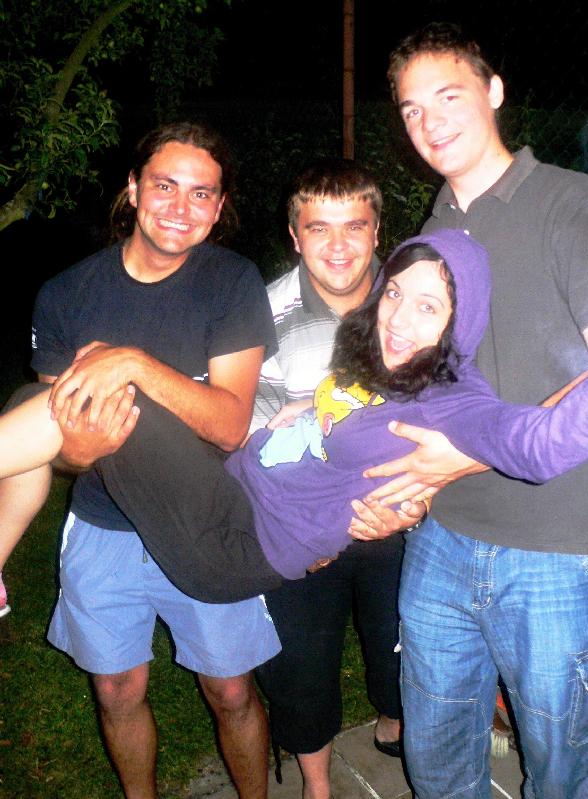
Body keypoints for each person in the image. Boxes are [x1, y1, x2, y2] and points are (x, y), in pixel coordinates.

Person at [5, 229, 588, 590]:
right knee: (38, 397)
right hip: (229, 491)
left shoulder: (452, 399)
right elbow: (340, 424)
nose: (398, 318)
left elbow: (540, 446)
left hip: (237, 539)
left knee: (109, 387)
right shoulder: (383, 362)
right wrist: (305, 411)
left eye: (428, 307)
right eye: (394, 292)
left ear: (459, 321)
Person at [9, 121, 282, 799]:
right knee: (116, 688)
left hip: (206, 518)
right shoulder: (67, 293)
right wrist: (78, 453)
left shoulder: (231, 282)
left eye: (201, 194)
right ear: (133, 189)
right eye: (164, 186)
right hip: (104, 521)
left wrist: (131, 362)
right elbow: (57, 439)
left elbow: (230, 426)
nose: (180, 207)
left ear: (218, 208)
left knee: (231, 690)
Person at [376, 22, 588, 799]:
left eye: (448, 96)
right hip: (439, 537)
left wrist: (466, 455)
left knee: (561, 771)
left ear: (494, 91)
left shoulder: (573, 205)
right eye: (411, 109)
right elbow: (425, 379)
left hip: (554, 549)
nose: (429, 122)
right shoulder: (433, 230)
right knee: (435, 762)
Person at [251, 159, 411, 799]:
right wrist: (299, 533)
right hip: (303, 520)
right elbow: (251, 436)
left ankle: (393, 723)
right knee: (300, 663)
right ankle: (316, 783)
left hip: (399, 510)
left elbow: (451, 405)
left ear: (377, 231)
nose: (338, 245)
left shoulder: (416, 299)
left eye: (355, 226)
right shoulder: (261, 314)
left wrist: (415, 502)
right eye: (319, 228)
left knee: (402, 642)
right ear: (294, 235)